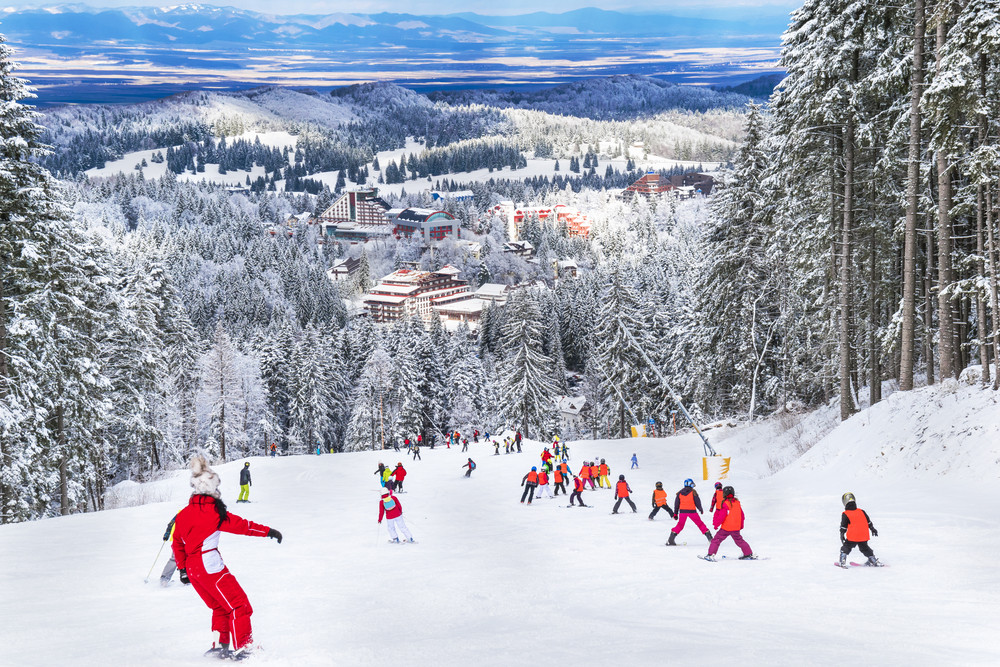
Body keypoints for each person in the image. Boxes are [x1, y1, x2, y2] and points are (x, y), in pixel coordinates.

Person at [172, 455, 282, 661]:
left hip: (193, 569)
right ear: (212, 488)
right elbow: (243, 526)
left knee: (219, 607)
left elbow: (176, 542)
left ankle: (219, 647)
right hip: (209, 565)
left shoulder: (184, 513)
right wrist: (269, 531)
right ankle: (244, 648)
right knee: (239, 604)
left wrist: (183, 569)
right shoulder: (215, 511)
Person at [703, 486, 754, 561]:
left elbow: (721, 517)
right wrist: (741, 525)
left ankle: (710, 555)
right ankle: (748, 554)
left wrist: (716, 525)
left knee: (716, 540)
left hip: (726, 528)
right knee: (740, 541)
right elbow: (742, 516)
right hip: (736, 528)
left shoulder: (725, 504)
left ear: (724, 494)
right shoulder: (737, 503)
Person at [839, 492, 881, 567]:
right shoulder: (862, 511)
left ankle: (842, 560)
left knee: (847, 547)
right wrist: (873, 529)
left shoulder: (846, 514)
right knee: (865, 548)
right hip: (863, 535)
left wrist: (842, 534)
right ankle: (873, 560)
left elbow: (843, 526)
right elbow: (869, 522)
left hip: (853, 536)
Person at [666, 479, 712, 546]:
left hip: (682, 512)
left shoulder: (680, 493)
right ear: (690, 484)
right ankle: (710, 539)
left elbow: (676, 504)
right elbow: (697, 502)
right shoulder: (693, 492)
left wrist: (675, 513)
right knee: (700, 524)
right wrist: (700, 509)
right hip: (692, 512)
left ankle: (671, 539)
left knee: (680, 525)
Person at [159, 511, 187, 586]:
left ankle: (189, 578)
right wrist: (167, 534)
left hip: (190, 539)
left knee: (191, 558)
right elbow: (171, 524)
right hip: (178, 539)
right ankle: (164, 578)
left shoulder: (197, 512)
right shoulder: (182, 512)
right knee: (175, 558)